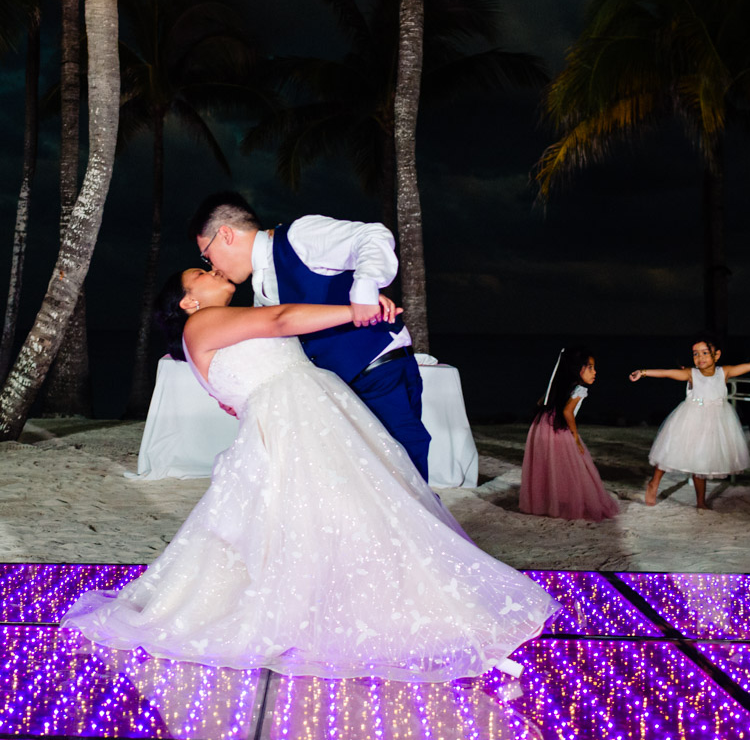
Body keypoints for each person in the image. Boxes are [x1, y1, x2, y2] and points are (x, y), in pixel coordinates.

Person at [62, 267, 559, 682]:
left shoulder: (214, 326)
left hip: (306, 416)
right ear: (188, 303)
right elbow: (280, 320)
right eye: (200, 274)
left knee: (342, 515)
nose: (212, 271)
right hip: (296, 423)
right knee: (341, 514)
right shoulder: (204, 324)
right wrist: (358, 311)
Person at [188, 191, 430, 481]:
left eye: (207, 254)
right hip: (334, 393)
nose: (213, 266)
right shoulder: (260, 291)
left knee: (404, 476)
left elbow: (371, 236)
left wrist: (365, 290)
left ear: (225, 234)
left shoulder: (300, 236)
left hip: (376, 373)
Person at [631, 336, 750, 510]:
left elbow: (748, 366)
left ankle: (700, 501)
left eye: (705, 353)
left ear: (717, 355)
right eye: (696, 354)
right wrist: (643, 372)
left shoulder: (725, 372)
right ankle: (654, 483)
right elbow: (667, 372)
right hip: (690, 418)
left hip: (715, 422)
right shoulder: (691, 374)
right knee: (670, 451)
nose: (700, 358)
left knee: (701, 460)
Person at [519, 347, 619, 521]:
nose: (594, 372)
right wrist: (575, 437)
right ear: (577, 369)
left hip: (541, 426)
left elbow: (540, 402)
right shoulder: (580, 389)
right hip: (559, 429)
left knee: (549, 465)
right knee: (573, 466)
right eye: (590, 368)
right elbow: (567, 412)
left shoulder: (559, 386)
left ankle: (547, 501)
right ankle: (567, 501)